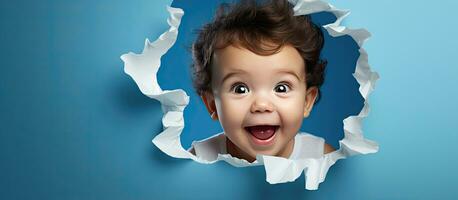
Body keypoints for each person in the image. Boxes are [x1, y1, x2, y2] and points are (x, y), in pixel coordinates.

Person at [189, 0, 334, 163]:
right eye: (240, 89)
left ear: (306, 102)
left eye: (281, 88)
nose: (262, 105)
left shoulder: (322, 157)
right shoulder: (199, 160)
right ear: (212, 105)